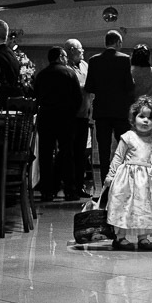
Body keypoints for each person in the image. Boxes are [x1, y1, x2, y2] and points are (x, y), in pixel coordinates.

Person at [104, 96, 152, 251]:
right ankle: (120, 237)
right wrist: (110, 176)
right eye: (141, 116)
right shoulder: (128, 137)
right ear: (133, 118)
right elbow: (118, 157)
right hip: (127, 181)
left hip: (148, 183)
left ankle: (143, 237)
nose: (146, 121)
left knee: (145, 208)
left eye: (150, 118)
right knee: (124, 207)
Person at [34, 46, 83, 200]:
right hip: (66, 118)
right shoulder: (69, 73)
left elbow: (36, 96)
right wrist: (72, 112)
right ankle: (69, 189)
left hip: (46, 117)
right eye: (65, 56)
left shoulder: (41, 75)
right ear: (60, 56)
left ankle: (47, 190)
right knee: (67, 153)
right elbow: (78, 98)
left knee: (45, 154)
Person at [85, 30, 136, 181]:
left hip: (102, 111)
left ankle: (105, 186)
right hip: (120, 111)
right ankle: (122, 182)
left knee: (103, 150)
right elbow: (129, 86)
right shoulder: (125, 59)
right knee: (123, 149)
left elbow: (89, 87)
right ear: (118, 43)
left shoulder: (94, 60)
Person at [64, 38, 93, 197]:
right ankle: (70, 188)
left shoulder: (85, 66)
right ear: (71, 50)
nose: (83, 51)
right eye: (80, 49)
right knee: (69, 153)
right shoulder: (65, 67)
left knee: (81, 153)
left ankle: (80, 186)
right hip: (70, 116)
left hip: (84, 115)